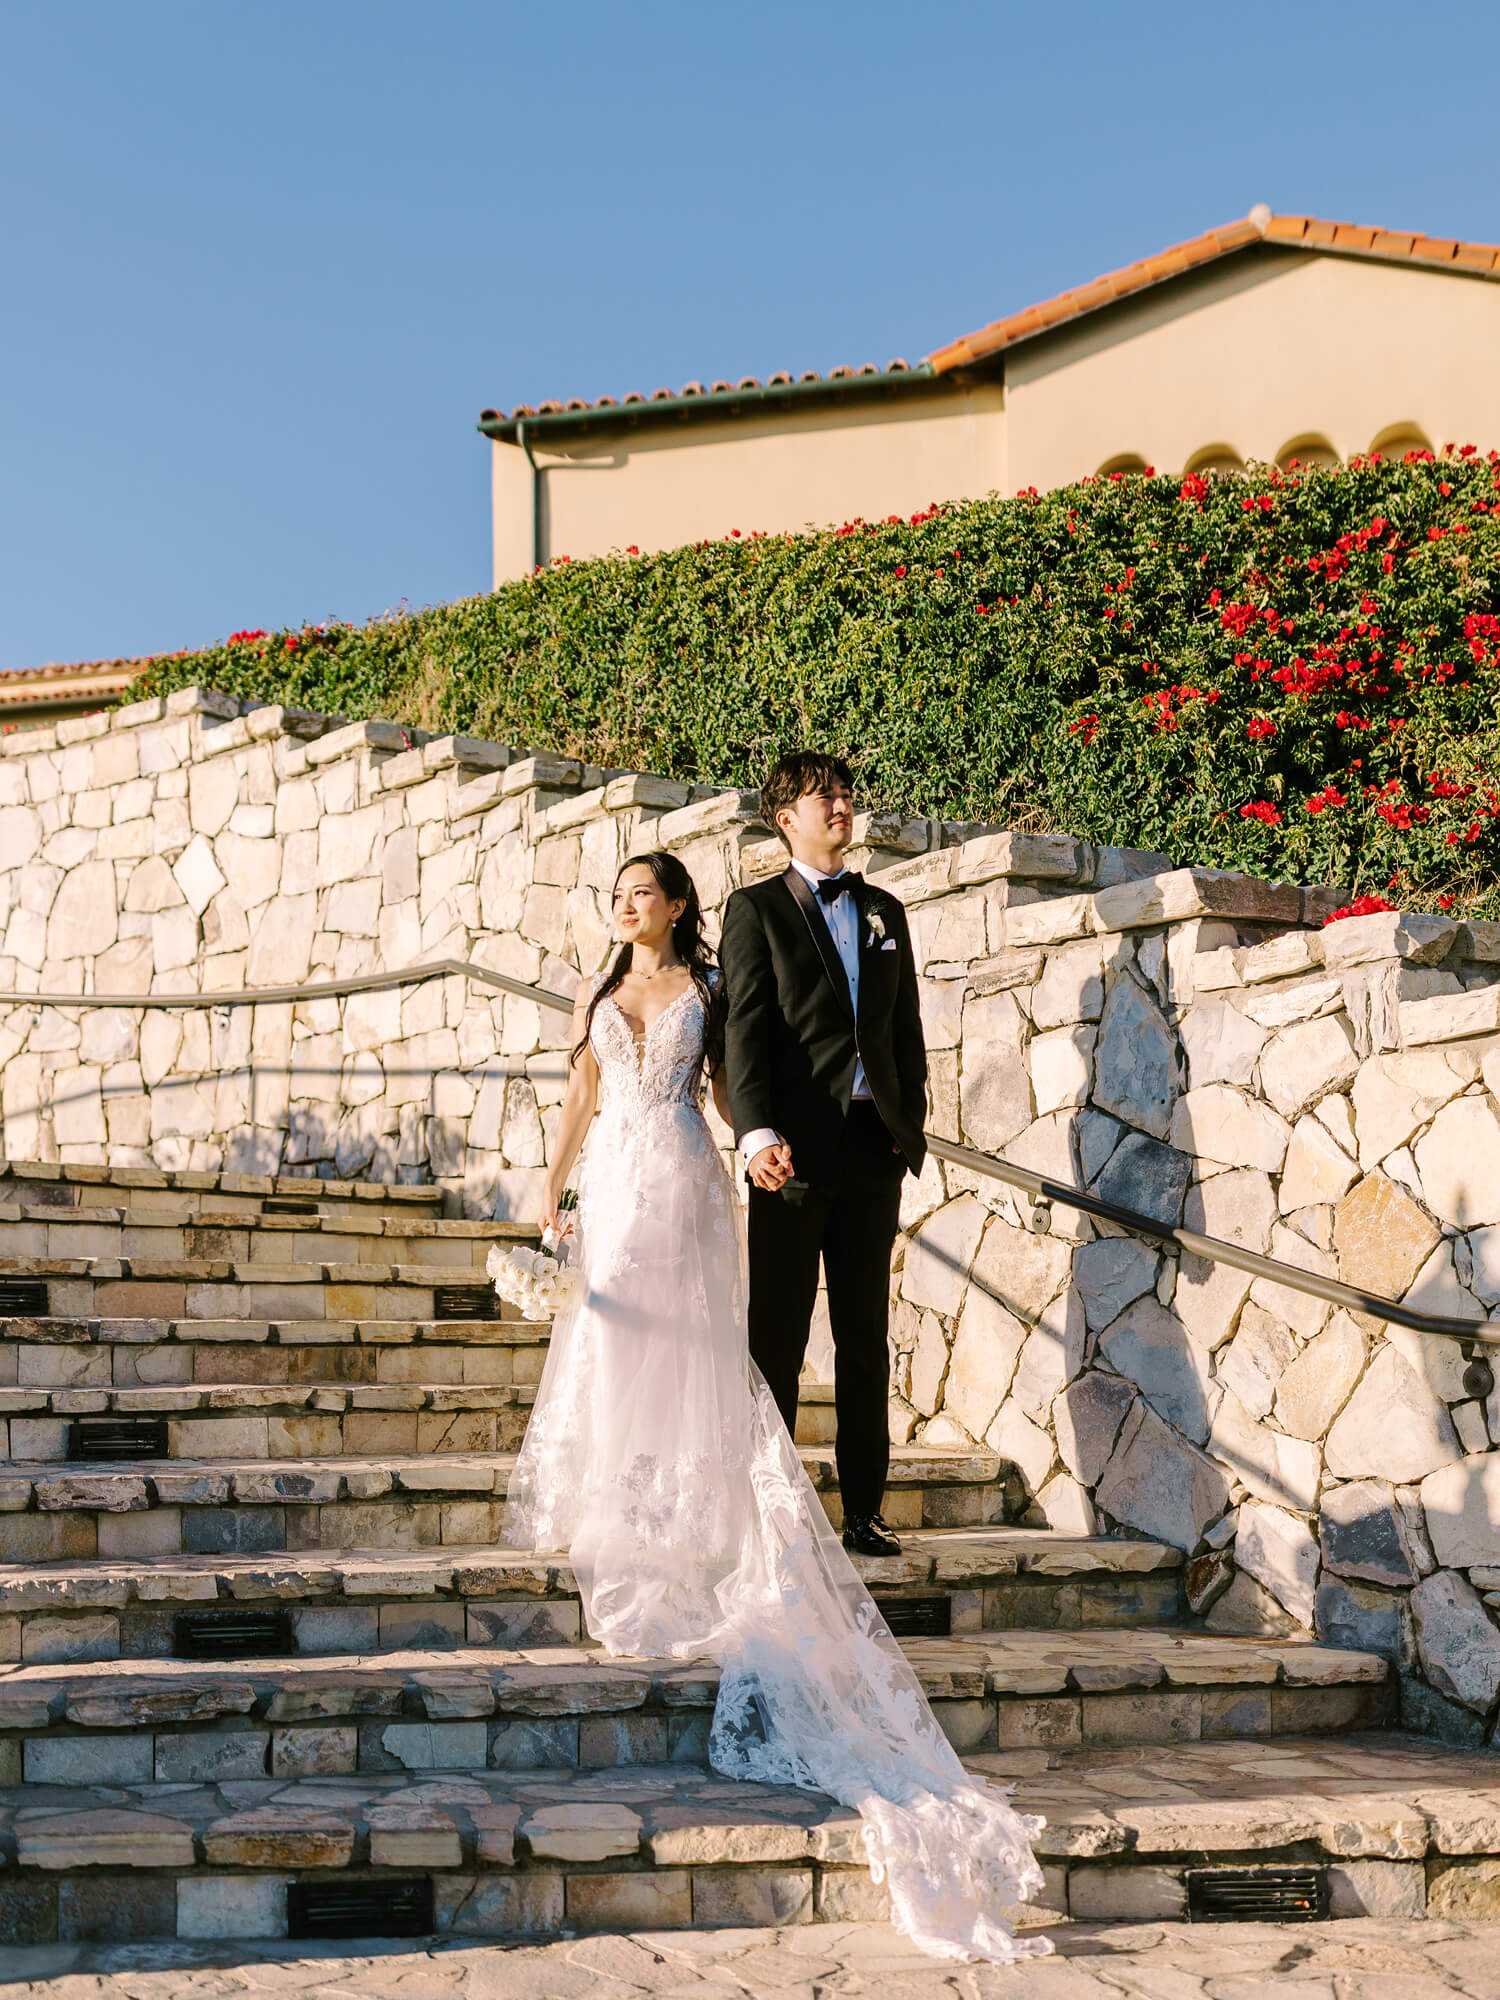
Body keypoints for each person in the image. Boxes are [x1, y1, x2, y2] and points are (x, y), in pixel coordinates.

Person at [506, 848, 1047, 1964]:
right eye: (615, 892)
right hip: (614, 1179)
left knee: (694, 1351)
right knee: (613, 1350)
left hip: (689, 1178)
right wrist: (550, 1188)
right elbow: (580, 1090)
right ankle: (616, 1500)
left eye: (641, 890)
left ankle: (698, 1508)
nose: (625, 904)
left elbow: (724, 1087)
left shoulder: (703, 990)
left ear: (679, 905)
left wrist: (748, 1145)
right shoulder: (598, 993)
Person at [719, 751, 926, 1557]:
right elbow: (746, 1030)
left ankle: (865, 1512)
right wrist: (757, 1132)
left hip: (875, 1149)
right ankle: (764, 1507)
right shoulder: (756, 909)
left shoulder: (886, 910)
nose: (841, 805)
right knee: (776, 1331)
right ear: (786, 819)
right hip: (792, 1156)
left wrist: (911, 1114)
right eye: (823, 797)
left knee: (864, 1335)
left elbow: (902, 1024)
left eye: (844, 794)